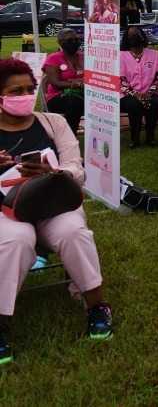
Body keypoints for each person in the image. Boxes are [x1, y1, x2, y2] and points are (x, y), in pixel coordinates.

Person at [0, 58, 113, 366]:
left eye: (28, 89)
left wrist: (54, 172)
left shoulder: (54, 123)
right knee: (15, 241)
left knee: (73, 232)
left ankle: (96, 306)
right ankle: (1, 324)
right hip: (6, 210)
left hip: (53, 202)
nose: (24, 95)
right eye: (15, 90)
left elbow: (77, 169)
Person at [119, 25, 158, 148]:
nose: (134, 37)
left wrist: (149, 93)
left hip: (149, 92)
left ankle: (150, 137)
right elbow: (120, 81)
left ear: (142, 36)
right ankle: (135, 139)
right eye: (131, 35)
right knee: (134, 104)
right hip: (127, 94)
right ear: (127, 39)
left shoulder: (154, 54)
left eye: (137, 34)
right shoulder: (121, 56)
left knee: (155, 102)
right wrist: (136, 95)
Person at [43, 28, 85, 133]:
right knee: (74, 102)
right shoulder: (53, 58)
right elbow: (55, 83)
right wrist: (76, 84)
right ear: (61, 43)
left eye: (77, 39)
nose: (75, 42)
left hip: (85, 94)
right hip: (58, 97)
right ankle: (69, 136)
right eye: (70, 40)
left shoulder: (84, 56)